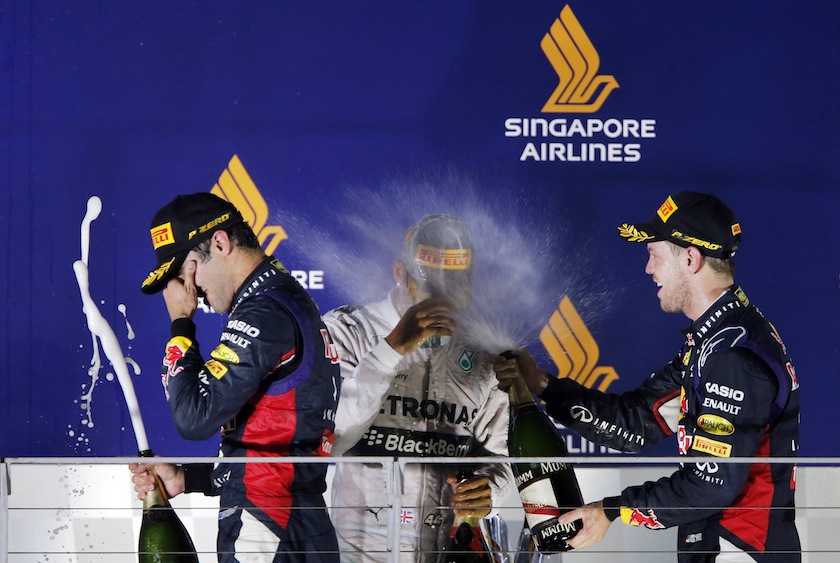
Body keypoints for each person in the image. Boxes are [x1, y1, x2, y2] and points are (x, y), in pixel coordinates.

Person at [493, 192, 800, 562]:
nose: (648, 269)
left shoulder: (731, 354)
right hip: (719, 546)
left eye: (655, 254)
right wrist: (544, 385)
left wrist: (613, 510)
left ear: (690, 258)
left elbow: (712, 485)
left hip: (740, 550)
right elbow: (638, 421)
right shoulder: (714, 341)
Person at [128, 192, 341, 563]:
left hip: (265, 524)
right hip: (298, 520)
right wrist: (186, 479)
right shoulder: (283, 299)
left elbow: (194, 417)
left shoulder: (264, 311)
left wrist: (181, 325)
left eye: (187, 270)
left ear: (220, 242)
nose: (189, 288)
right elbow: (273, 444)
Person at [323, 214, 515, 563]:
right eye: (431, 289)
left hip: (446, 552)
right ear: (400, 272)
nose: (440, 302)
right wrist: (390, 350)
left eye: (452, 291)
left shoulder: (486, 349)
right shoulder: (349, 330)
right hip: (358, 551)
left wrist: (489, 488)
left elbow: (501, 453)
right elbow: (332, 438)